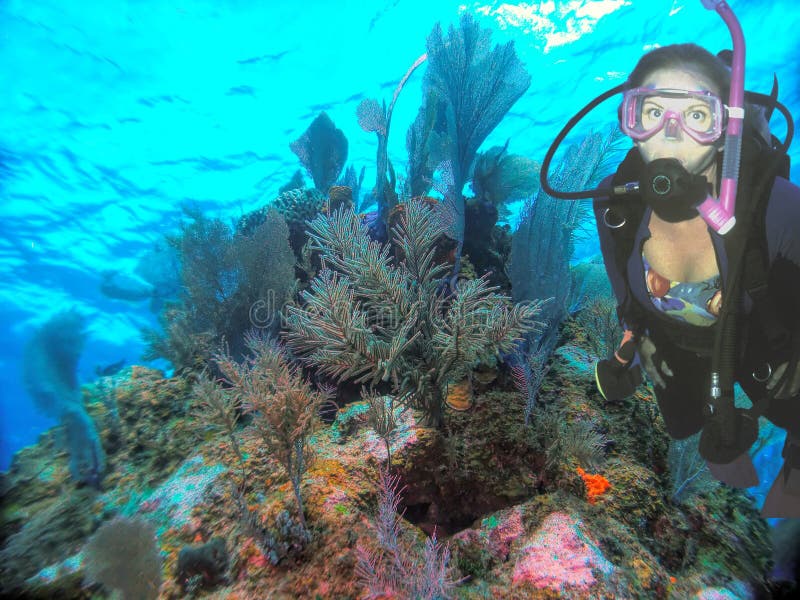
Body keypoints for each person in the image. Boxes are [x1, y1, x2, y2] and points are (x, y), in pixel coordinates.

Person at [591, 44, 800, 518]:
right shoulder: (615, 206)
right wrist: (635, 332)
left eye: (697, 115)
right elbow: (622, 284)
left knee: (793, 413)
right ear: (630, 120)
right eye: (653, 112)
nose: (670, 135)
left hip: (764, 340)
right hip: (675, 343)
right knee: (684, 425)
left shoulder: (778, 207)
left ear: (727, 129)